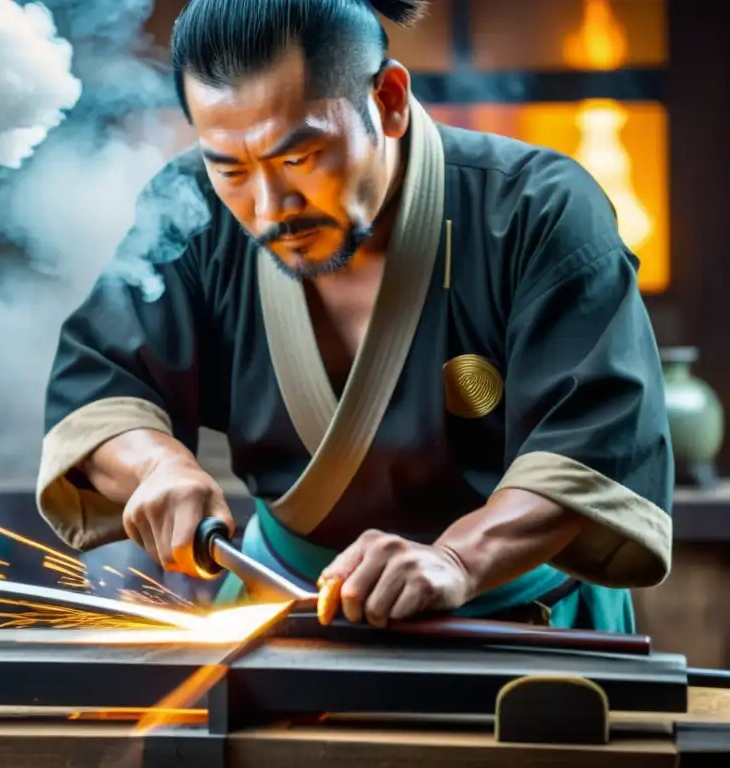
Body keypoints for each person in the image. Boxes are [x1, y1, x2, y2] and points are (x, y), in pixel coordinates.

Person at [35, 0, 673, 633]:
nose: (267, 208)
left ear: (390, 101)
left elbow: (594, 445)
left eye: (298, 158)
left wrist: (457, 559)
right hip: (281, 616)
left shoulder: (541, 210)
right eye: (229, 166)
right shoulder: (191, 208)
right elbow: (103, 385)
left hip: (515, 621)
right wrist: (156, 465)